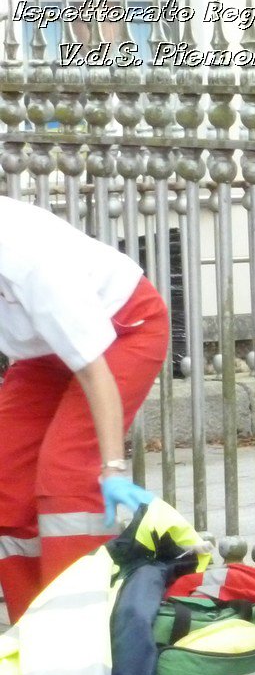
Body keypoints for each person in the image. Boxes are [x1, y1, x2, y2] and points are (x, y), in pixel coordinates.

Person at [0, 197, 162, 623]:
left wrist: (110, 467)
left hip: (122, 332)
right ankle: (31, 639)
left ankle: (82, 631)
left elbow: (94, 372)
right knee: (6, 476)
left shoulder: (28, 260)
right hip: (43, 352)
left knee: (67, 474)